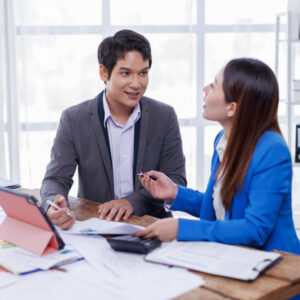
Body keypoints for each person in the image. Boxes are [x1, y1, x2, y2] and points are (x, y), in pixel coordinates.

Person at [136, 57, 300, 255]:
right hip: (233, 257)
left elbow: (254, 229)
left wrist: (180, 228)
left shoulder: (272, 150)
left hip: (276, 267)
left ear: (232, 107)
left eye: (213, 86)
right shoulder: (222, 140)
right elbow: (221, 207)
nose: (205, 89)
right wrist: (174, 192)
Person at [41, 29, 186, 229]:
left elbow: (176, 180)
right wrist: (53, 205)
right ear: (103, 72)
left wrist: (132, 202)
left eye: (143, 73)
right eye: (125, 73)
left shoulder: (164, 116)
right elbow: (56, 178)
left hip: (152, 227)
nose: (136, 84)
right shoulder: (74, 119)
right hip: (96, 226)